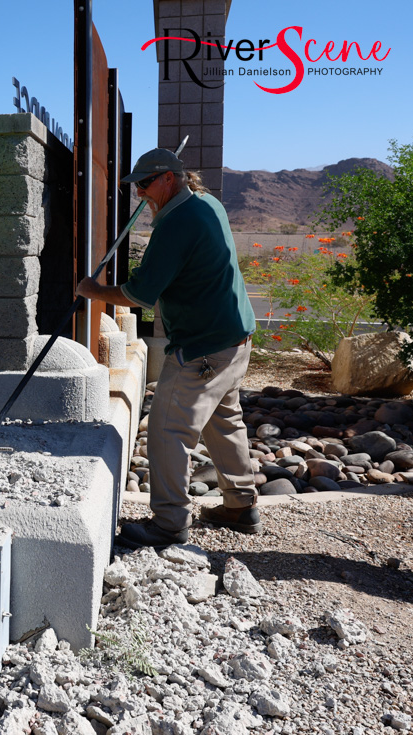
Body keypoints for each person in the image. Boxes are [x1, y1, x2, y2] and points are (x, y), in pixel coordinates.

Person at [76, 148, 260, 548]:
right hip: (235, 338)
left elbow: (141, 293)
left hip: (204, 347)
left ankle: (169, 523)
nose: (140, 193)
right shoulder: (207, 202)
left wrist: (92, 290)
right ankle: (241, 506)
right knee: (224, 421)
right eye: (136, 186)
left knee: (165, 429)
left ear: (168, 178)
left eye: (145, 184)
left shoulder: (178, 222)